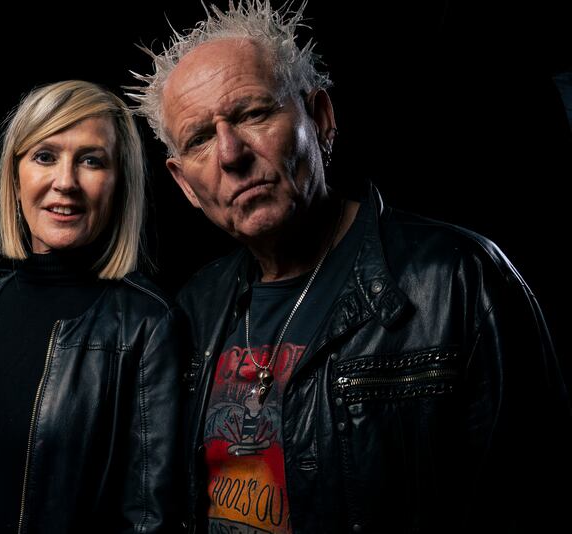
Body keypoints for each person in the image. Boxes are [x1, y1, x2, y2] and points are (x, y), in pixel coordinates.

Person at [129, 1, 570, 532]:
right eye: (200, 138)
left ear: (320, 119)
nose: (229, 153)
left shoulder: (458, 279)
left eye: (252, 113)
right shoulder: (192, 309)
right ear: (183, 184)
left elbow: (535, 498)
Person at [0, 80, 183, 533]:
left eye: (91, 160)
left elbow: (149, 517)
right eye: (45, 156)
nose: (65, 182)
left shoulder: (147, 324)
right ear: (15, 176)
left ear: (120, 182)